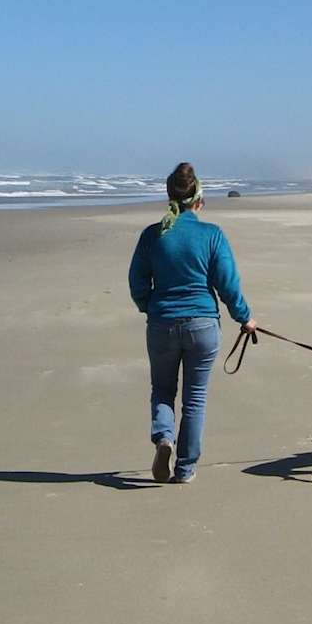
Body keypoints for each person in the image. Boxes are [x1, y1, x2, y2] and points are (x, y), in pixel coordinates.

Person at [127, 162, 256, 484]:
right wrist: (245, 318)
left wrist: (150, 307)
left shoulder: (152, 235)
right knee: (194, 398)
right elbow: (227, 284)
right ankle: (185, 469)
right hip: (203, 325)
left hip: (162, 324)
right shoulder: (211, 234)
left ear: (170, 195)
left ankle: (163, 438)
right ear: (199, 198)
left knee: (162, 390)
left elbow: (137, 282)